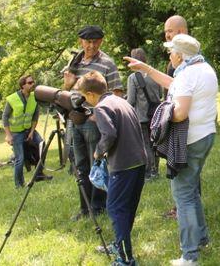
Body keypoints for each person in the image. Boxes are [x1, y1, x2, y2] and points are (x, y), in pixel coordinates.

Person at [157, 34, 218, 266]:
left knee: (183, 196)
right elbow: (173, 85)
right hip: (206, 135)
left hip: (188, 141)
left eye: (171, 51)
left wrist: (162, 114)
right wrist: (146, 70)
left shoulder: (186, 75)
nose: (169, 55)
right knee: (191, 191)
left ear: (180, 55)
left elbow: (180, 113)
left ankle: (189, 256)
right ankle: (202, 238)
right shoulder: (205, 69)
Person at [79, 71, 146, 266]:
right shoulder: (121, 101)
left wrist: (98, 152)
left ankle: (125, 259)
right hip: (139, 161)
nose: (85, 100)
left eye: (85, 97)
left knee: (116, 209)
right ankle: (120, 245)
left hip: (123, 165)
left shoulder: (101, 107)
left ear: (91, 94)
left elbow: (109, 135)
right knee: (127, 208)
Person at [126, 14, 188, 220]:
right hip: (160, 113)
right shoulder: (158, 72)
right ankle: (178, 204)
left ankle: (154, 174)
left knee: (149, 146)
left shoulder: (134, 77)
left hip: (154, 117)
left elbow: (132, 100)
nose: (166, 35)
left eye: (169, 31)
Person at [63, 25, 124, 220]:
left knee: (96, 164)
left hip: (94, 121)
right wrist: (68, 83)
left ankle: (99, 207)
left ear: (101, 41)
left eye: (95, 41)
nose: (91, 46)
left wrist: (97, 115)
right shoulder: (74, 62)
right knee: (79, 166)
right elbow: (67, 91)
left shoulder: (107, 63)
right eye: (88, 42)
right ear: (80, 41)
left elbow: (117, 93)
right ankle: (85, 208)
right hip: (74, 121)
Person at [2, 75, 51, 188]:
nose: (32, 84)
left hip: (29, 129)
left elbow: (35, 116)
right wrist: (8, 135)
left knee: (41, 145)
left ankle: (39, 174)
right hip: (16, 132)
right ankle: (19, 184)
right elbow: (5, 117)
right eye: (29, 82)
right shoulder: (12, 98)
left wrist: (32, 132)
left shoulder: (35, 97)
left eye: (33, 82)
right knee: (20, 159)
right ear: (22, 85)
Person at [126, 47, 163, 180]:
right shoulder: (155, 74)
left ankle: (149, 172)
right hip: (156, 114)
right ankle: (156, 170)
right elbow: (160, 95)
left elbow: (130, 100)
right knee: (155, 143)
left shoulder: (133, 78)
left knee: (145, 144)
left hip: (141, 116)